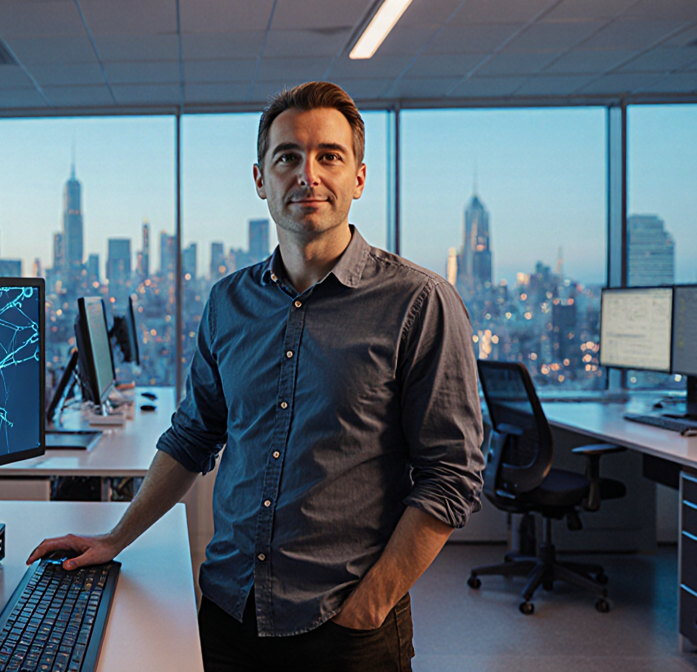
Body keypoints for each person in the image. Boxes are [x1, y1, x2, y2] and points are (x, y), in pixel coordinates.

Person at [28, 81, 485, 672]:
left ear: (360, 179)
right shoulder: (227, 303)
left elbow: (451, 475)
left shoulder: (418, 302)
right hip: (228, 612)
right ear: (260, 179)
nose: (308, 174)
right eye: (287, 157)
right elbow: (194, 437)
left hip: (346, 627)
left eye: (330, 157)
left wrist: (370, 605)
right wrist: (116, 538)